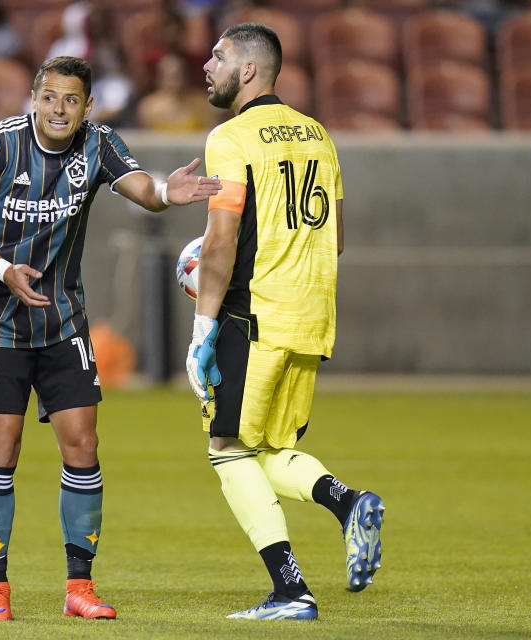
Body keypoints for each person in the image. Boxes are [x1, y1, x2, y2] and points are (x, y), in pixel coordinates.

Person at [0, 55, 221, 622]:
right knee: (2, 447)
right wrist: (2, 270)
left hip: (64, 320)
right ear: (33, 99)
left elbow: (141, 188)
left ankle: (79, 587)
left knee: (83, 446)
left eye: (71, 100)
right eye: (49, 98)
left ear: (87, 107)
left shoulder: (99, 142)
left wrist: (168, 190)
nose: (58, 109)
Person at [187, 23, 386, 620]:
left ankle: (290, 589)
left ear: (248, 70)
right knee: (268, 447)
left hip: (255, 315)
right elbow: (339, 238)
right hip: (311, 316)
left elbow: (220, 243)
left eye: (218, 56)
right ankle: (347, 503)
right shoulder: (318, 134)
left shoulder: (230, 137)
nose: (207, 64)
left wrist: (202, 328)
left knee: (225, 448)